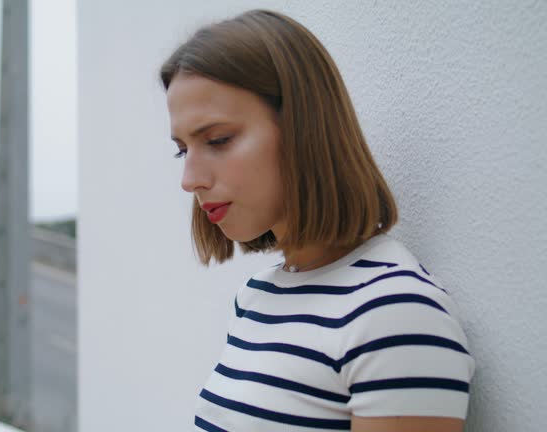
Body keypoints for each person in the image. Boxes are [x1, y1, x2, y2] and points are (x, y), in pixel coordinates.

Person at [160, 9, 475, 432]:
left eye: (218, 140)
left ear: (304, 127)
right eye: (183, 150)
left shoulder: (394, 313)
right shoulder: (257, 297)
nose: (190, 180)